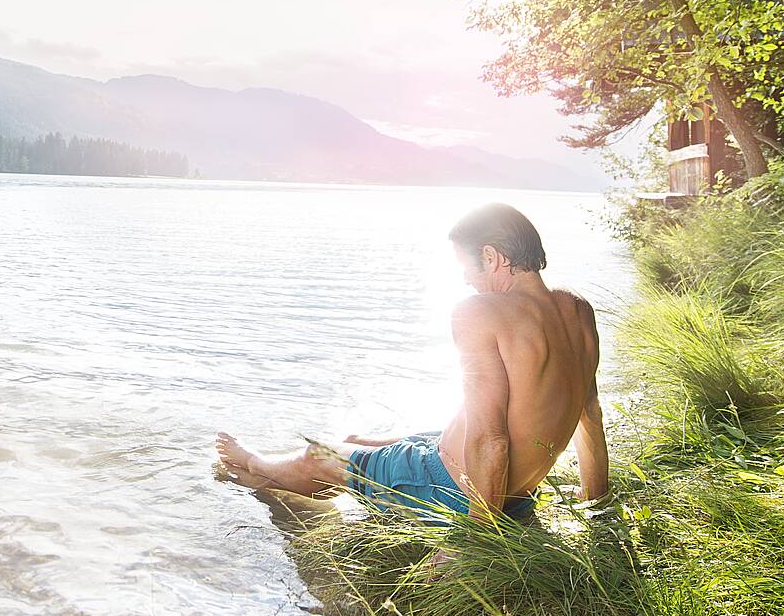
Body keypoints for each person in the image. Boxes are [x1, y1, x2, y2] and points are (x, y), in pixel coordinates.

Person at [214, 202, 609, 523]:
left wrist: (476, 539)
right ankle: (269, 484)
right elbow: (588, 412)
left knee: (318, 457)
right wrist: (597, 498)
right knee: (360, 442)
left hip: (456, 489)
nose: (466, 280)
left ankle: (252, 463)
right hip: (515, 492)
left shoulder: (481, 312)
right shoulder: (575, 309)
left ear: (490, 257)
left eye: (465, 266)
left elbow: (492, 439)